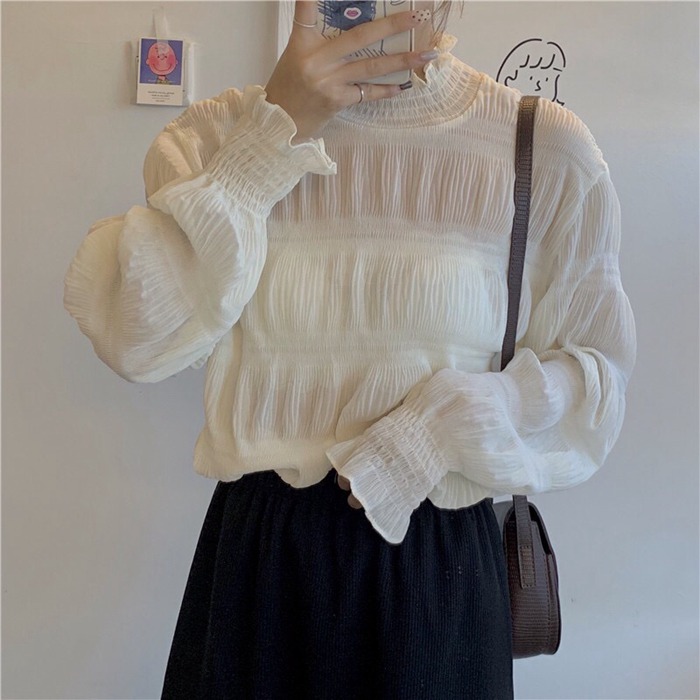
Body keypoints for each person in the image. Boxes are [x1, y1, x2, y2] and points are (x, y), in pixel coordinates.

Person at [64, 1, 636, 698]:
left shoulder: (539, 146)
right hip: (262, 563)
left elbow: (595, 379)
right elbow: (135, 339)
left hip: (439, 569)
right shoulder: (216, 136)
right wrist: (271, 136)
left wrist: (437, 432)